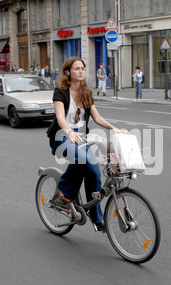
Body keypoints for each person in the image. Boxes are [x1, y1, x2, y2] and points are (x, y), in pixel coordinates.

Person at [46, 56, 126, 232]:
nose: (81, 71)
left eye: (82, 68)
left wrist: (115, 129)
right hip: (61, 137)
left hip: (81, 139)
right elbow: (60, 117)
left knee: (94, 173)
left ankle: (96, 218)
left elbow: (97, 118)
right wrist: (69, 132)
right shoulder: (60, 92)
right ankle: (64, 191)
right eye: (76, 68)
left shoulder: (86, 93)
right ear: (68, 72)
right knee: (82, 161)